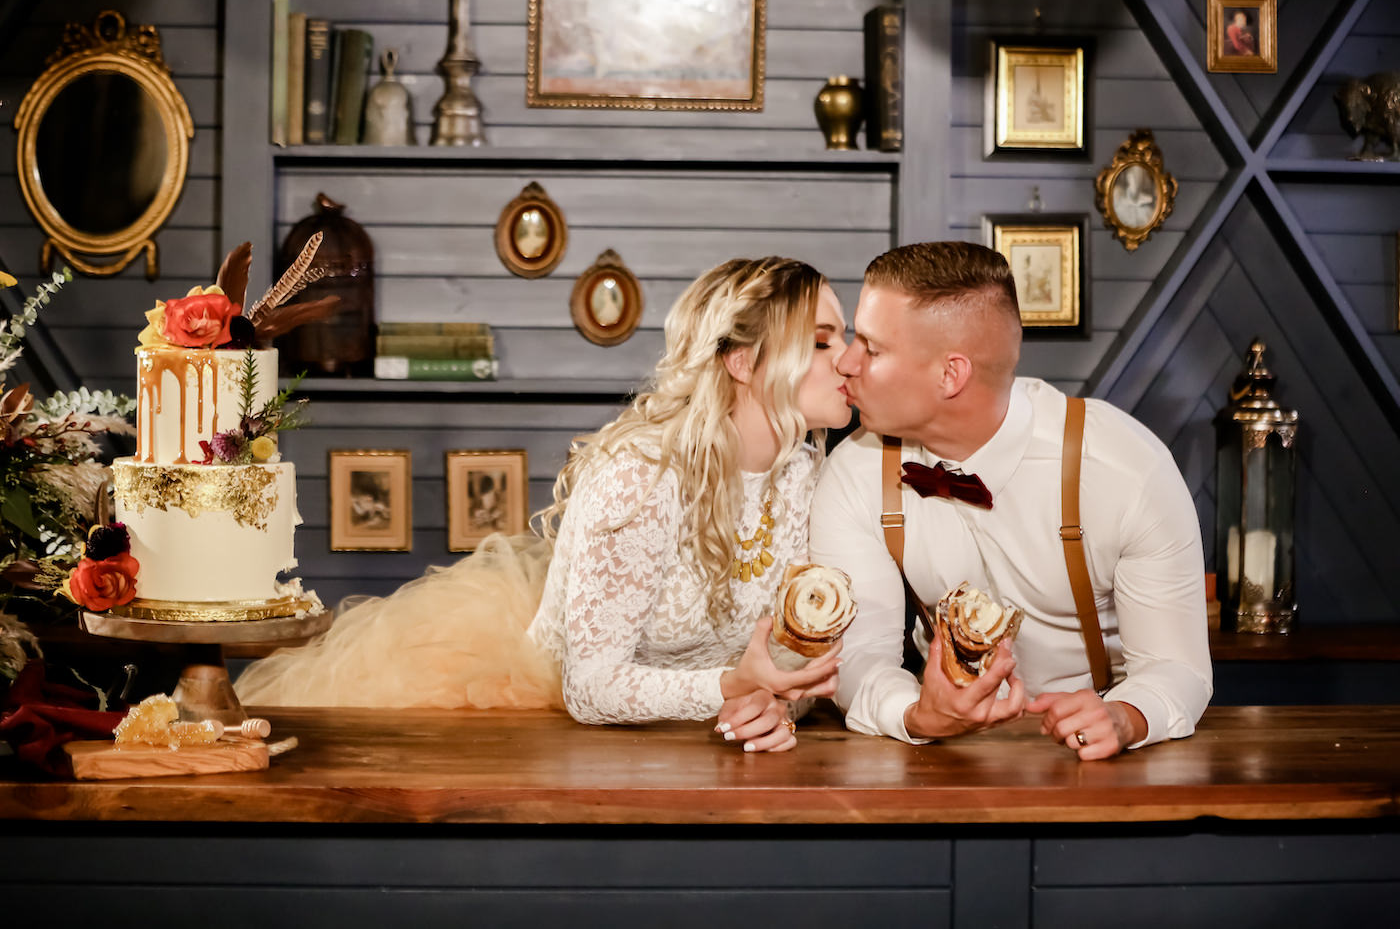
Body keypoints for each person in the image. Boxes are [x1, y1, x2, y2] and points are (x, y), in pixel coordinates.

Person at [236, 256, 852, 754]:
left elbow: (784, 665)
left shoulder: (802, 468)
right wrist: (730, 688)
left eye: (846, 338)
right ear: (743, 362)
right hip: (551, 720)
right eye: (823, 343)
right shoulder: (642, 477)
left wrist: (771, 706)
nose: (851, 359)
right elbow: (590, 690)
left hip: (695, 748)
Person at [809, 241, 1212, 761]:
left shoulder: (1123, 469)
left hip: (1093, 766)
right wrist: (915, 714)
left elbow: (1178, 666)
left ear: (950, 374)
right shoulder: (856, 471)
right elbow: (858, 653)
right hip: (940, 763)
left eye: (872, 347)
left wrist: (1126, 716)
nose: (845, 361)